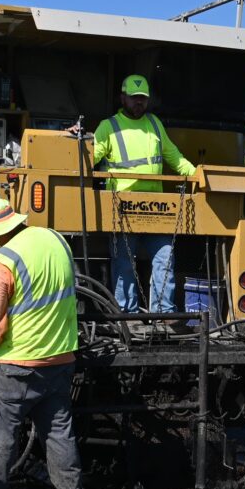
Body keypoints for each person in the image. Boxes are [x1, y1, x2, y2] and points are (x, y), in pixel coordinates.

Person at [0, 197, 84, 489]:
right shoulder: (56, 240)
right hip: (59, 360)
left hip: (12, 367)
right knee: (60, 437)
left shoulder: (3, 260)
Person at [89, 74, 196, 312]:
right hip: (123, 207)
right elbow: (89, 157)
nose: (139, 103)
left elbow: (174, 157)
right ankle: (127, 314)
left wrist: (198, 175)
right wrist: (75, 143)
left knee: (165, 258)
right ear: (122, 97)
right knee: (125, 264)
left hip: (156, 208)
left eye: (143, 99)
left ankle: (163, 313)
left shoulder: (155, 124)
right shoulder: (109, 127)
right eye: (134, 98)